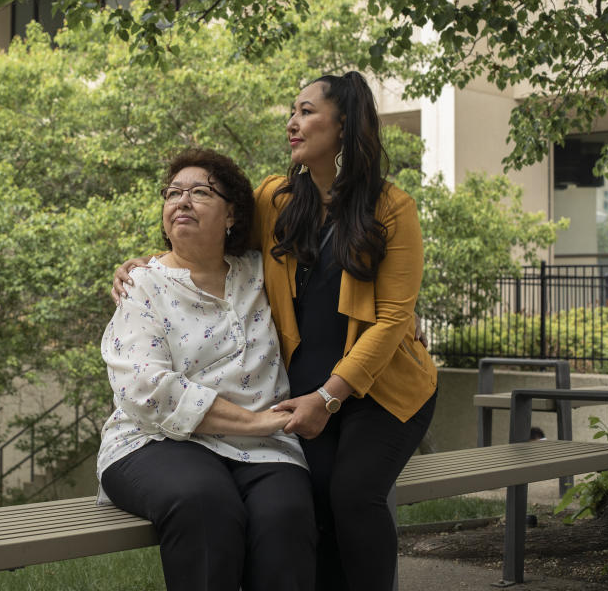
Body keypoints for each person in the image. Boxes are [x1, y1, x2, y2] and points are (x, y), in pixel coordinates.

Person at [113, 72, 438, 591]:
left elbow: (393, 318)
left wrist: (330, 398)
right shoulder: (276, 198)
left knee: (353, 494)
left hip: (381, 388)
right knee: (311, 498)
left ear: (345, 123)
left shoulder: (392, 207)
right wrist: (150, 263)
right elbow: (215, 241)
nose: (293, 122)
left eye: (307, 112)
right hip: (306, 389)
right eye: (293, 111)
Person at [97, 148, 318, 591]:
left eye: (200, 192)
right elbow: (147, 388)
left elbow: (337, 291)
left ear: (232, 214)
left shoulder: (261, 273)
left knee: (286, 513)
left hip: (263, 446)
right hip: (155, 440)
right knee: (204, 503)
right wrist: (254, 421)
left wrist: (401, 316)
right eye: (173, 192)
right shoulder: (143, 284)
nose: (182, 201)